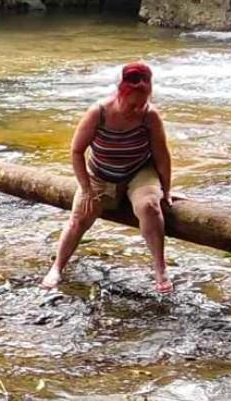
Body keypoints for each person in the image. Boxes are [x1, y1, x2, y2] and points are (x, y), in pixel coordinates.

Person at [41, 61, 176, 294]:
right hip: (100, 173)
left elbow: (162, 155)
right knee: (80, 218)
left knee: (150, 207)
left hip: (139, 172)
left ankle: (160, 269)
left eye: (142, 104)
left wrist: (166, 189)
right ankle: (57, 267)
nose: (137, 109)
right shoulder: (99, 112)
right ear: (120, 94)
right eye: (132, 104)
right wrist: (86, 189)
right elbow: (76, 152)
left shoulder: (150, 115)